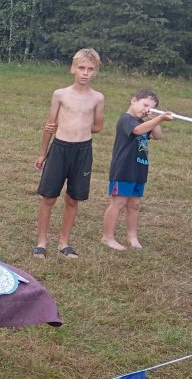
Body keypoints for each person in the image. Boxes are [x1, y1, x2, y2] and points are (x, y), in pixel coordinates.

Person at [33, 48, 104, 259]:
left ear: (95, 71)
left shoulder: (97, 98)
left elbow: (98, 126)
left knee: (73, 199)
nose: (85, 73)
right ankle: (41, 242)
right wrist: (42, 153)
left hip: (82, 151)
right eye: (81, 68)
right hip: (59, 149)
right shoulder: (60, 95)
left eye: (90, 69)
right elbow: (50, 125)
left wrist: (80, 127)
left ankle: (64, 243)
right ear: (73, 68)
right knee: (48, 197)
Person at [102, 90, 173, 250]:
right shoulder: (126, 119)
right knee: (118, 202)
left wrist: (155, 119)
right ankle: (107, 237)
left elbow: (157, 135)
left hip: (139, 169)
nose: (146, 110)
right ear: (134, 100)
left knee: (134, 204)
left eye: (151, 108)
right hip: (124, 169)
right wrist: (160, 118)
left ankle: (132, 236)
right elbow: (137, 131)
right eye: (145, 105)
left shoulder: (143, 122)